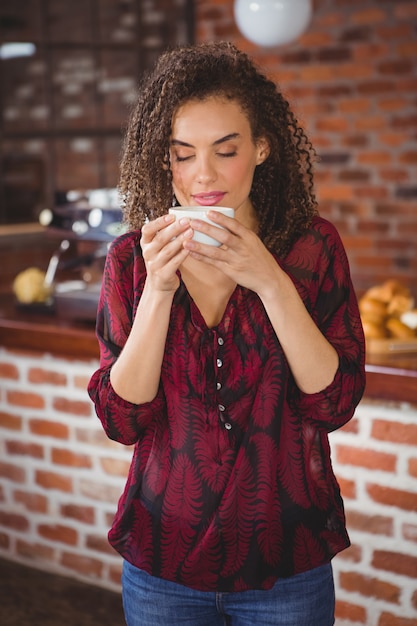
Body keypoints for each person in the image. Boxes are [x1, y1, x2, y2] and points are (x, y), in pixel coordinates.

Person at [87, 41, 366, 626]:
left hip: (287, 564)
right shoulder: (133, 261)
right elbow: (123, 420)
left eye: (225, 150)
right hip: (162, 565)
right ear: (162, 159)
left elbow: (332, 401)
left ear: (262, 146)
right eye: (182, 154)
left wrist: (271, 281)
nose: (204, 175)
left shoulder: (312, 249)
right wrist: (160, 291)